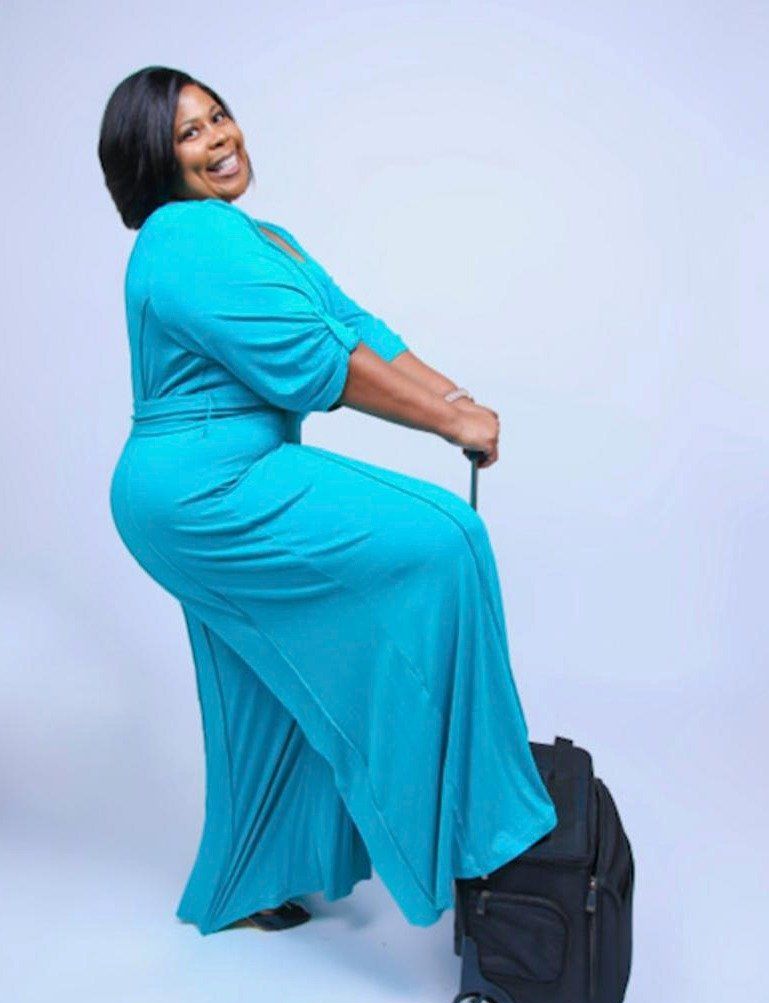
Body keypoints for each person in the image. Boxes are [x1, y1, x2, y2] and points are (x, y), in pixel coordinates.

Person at [98, 65, 558, 936]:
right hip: (204, 489)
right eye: (189, 132)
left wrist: (458, 405)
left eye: (220, 116)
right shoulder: (187, 238)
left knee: (263, 687)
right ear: (152, 160)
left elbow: (361, 334)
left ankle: (250, 883)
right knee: (444, 538)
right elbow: (325, 367)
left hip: (216, 478)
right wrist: (444, 425)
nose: (219, 138)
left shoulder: (258, 236)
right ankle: (487, 832)